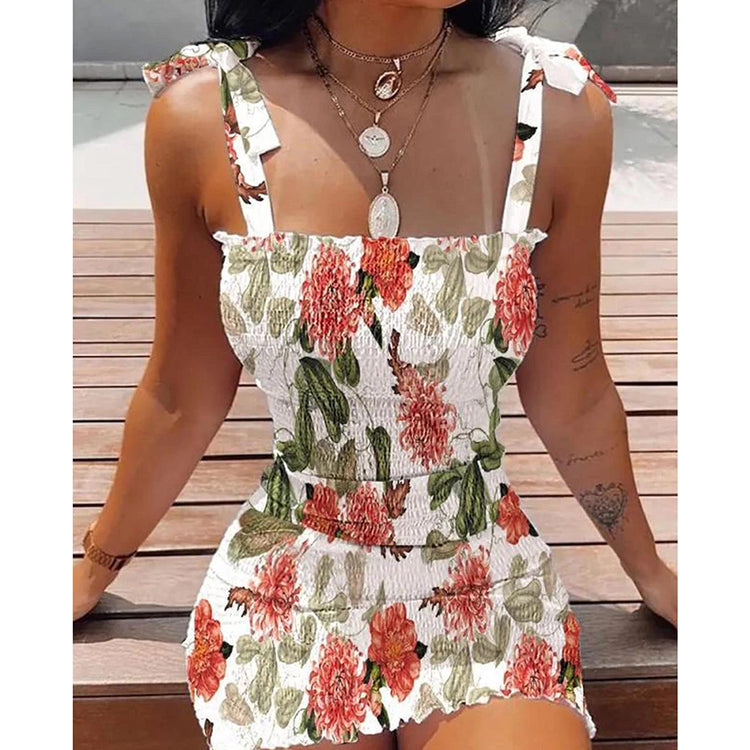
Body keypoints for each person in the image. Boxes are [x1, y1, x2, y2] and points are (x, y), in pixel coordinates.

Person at [73, 2, 677, 748]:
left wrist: (650, 572)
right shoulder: (205, 116)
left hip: (483, 582)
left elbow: (573, 387)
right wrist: (95, 566)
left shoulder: (556, 111)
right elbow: (181, 394)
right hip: (292, 584)